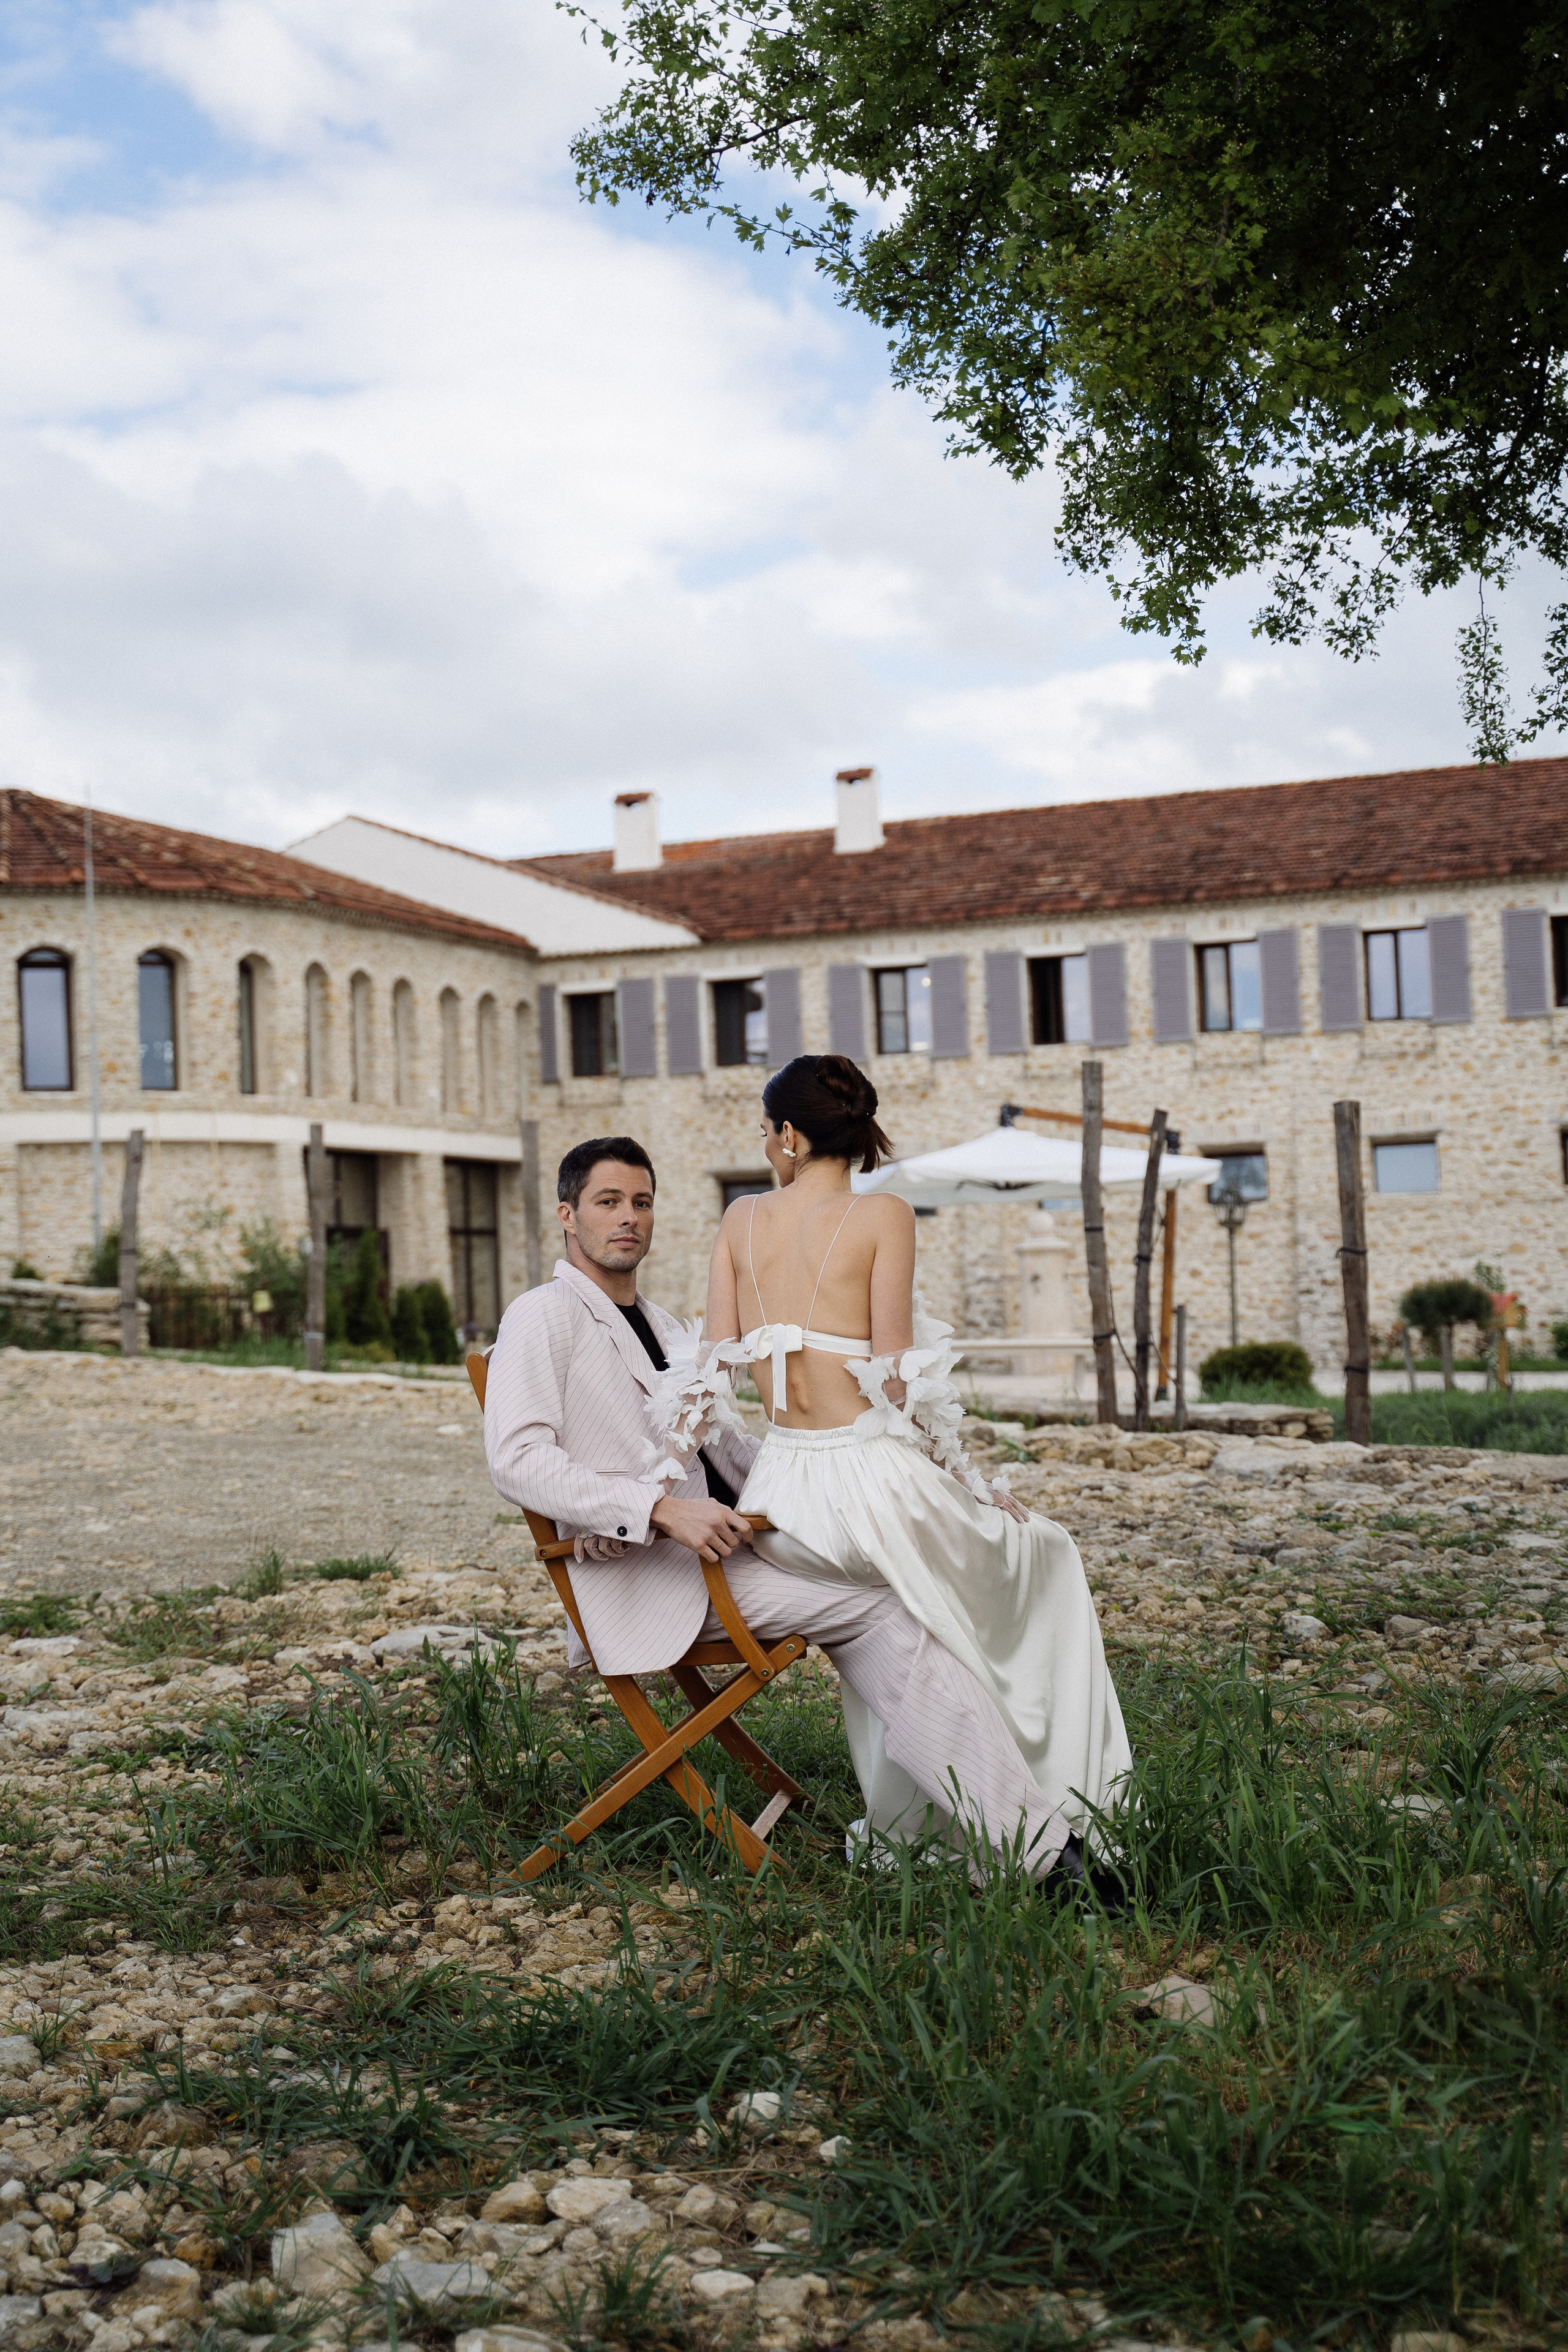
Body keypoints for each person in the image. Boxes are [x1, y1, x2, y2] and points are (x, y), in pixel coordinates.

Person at [483, 1121, 1127, 1887]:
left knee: (901, 1600)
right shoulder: (542, 1314)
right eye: (608, 1202)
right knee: (886, 1612)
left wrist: (884, 1477)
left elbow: (723, 1451)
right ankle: (1044, 1855)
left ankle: (1015, 1844)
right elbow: (516, 1460)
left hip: (725, 1551)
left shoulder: (658, 1324)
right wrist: (650, 1512)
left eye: (643, 1202)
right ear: (568, 1215)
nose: (628, 1218)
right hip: (652, 1579)